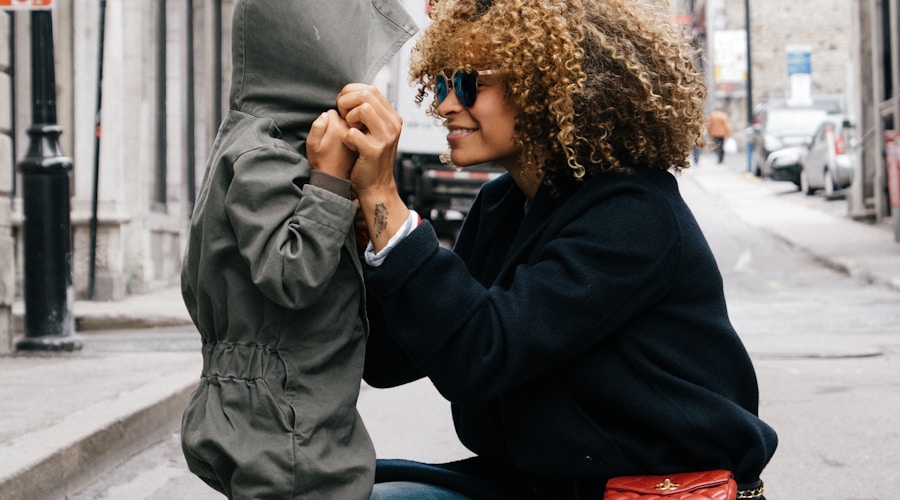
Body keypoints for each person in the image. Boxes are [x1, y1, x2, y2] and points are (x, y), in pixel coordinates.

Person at [335, 0, 777, 499]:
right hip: (541, 482)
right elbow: (392, 360)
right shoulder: (502, 204)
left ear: (546, 88)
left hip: (650, 490)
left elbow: (481, 352)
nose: (444, 105)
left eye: (468, 84)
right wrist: (363, 236)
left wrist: (385, 204)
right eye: (440, 83)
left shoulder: (634, 215)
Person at [178, 1, 416, 498]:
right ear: (311, 56)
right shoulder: (265, 152)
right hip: (285, 423)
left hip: (277, 410)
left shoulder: (267, 140)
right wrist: (329, 182)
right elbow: (292, 273)